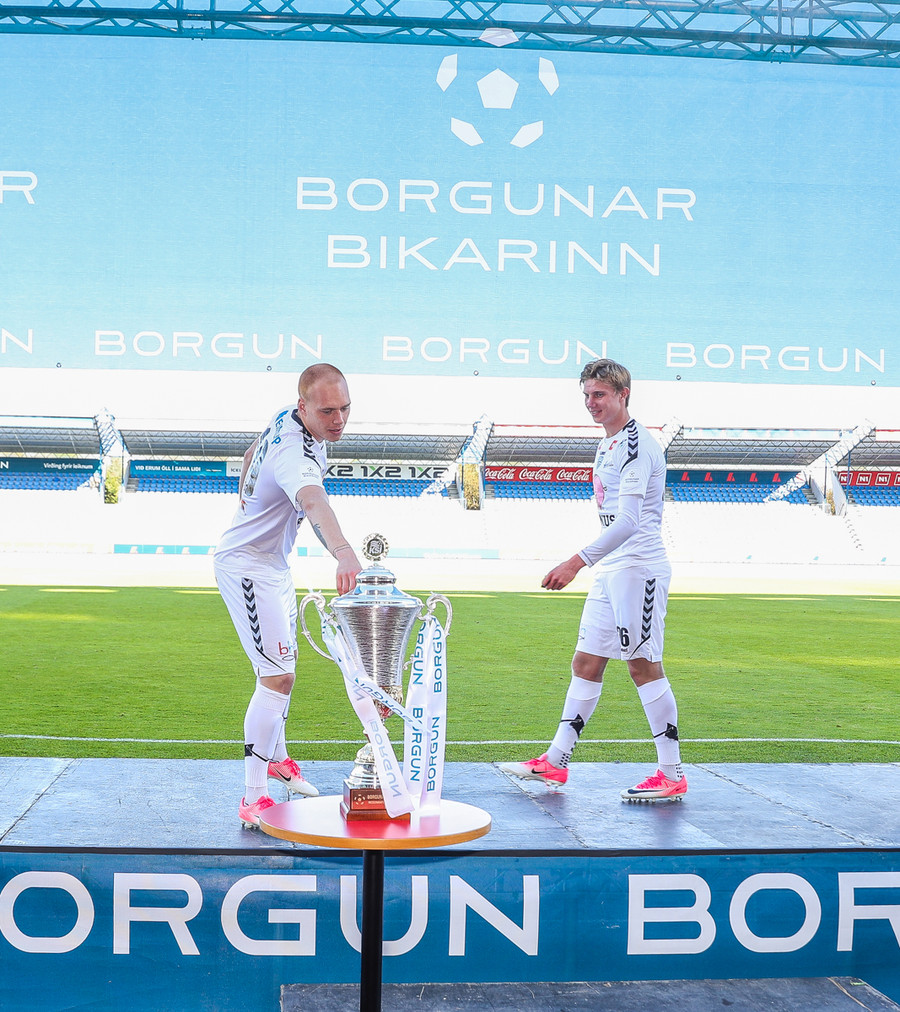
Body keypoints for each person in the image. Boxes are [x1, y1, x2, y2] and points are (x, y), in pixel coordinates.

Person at [501, 358, 687, 801]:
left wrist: (576, 562)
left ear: (624, 394)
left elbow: (629, 521)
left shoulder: (636, 446)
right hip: (613, 571)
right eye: (586, 395)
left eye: (599, 394)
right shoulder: (608, 444)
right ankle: (555, 761)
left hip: (638, 569)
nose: (591, 403)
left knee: (643, 666)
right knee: (586, 663)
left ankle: (671, 773)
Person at [215, 363, 363, 828]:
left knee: (284, 669)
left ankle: (278, 760)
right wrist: (344, 553)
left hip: (273, 566)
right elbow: (314, 501)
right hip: (247, 567)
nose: (338, 420)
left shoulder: (288, 416)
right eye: (328, 412)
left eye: (345, 409)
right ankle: (254, 797)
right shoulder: (295, 453)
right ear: (305, 406)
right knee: (277, 677)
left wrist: (245, 497)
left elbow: (251, 450)